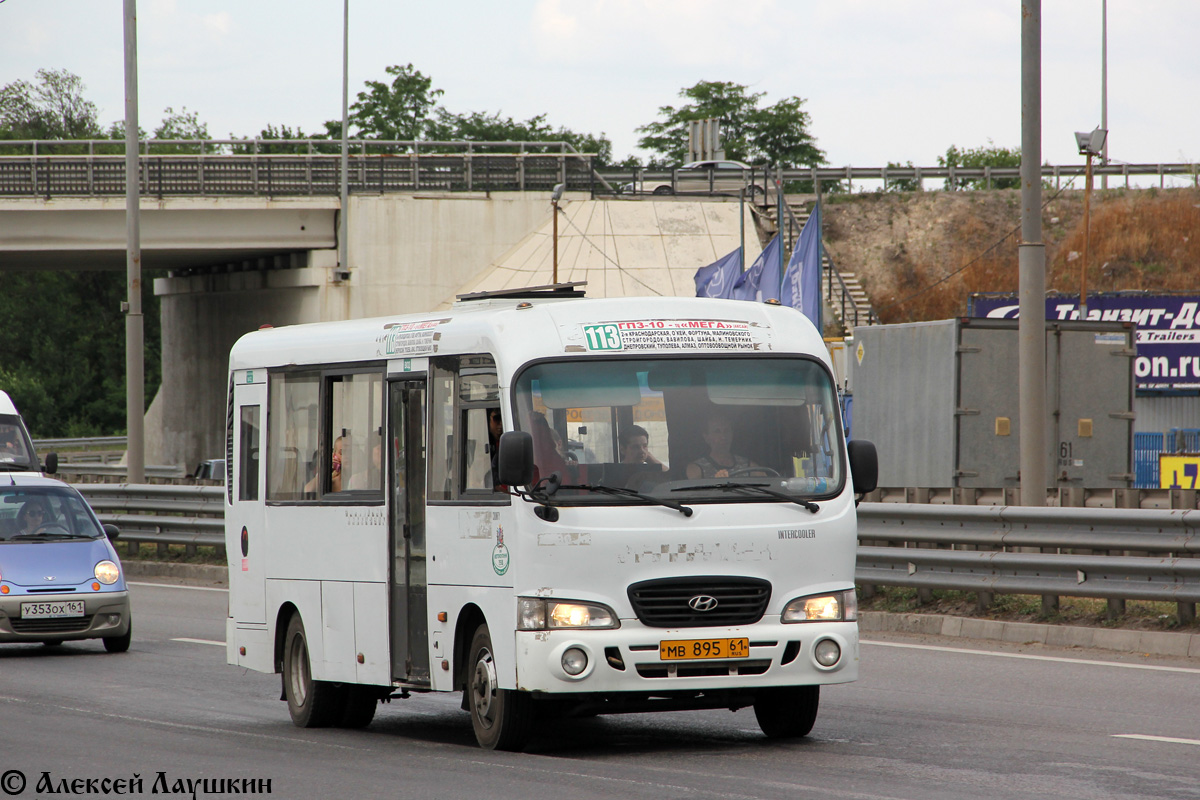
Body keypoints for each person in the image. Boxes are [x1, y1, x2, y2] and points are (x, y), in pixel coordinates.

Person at [687, 412, 756, 479]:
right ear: (706, 437)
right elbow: (695, 490)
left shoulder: (749, 467)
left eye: (726, 431)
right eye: (717, 431)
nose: (723, 437)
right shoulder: (696, 469)